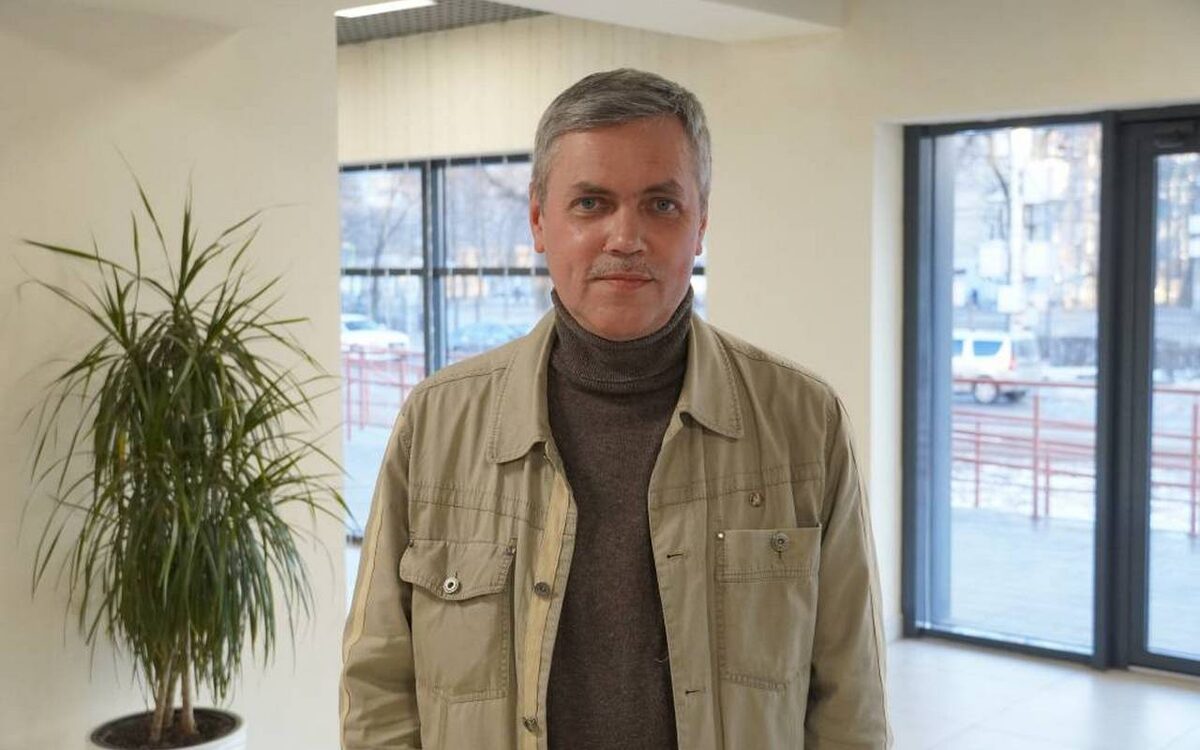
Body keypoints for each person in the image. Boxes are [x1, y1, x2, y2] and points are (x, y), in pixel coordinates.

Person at [341, 68, 893, 750]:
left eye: (661, 204)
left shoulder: (804, 424)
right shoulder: (436, 425)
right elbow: (377, 687)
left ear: (701, 223)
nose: (625, 237)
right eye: (591, 203)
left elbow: (850, 702)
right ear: (539, 221)